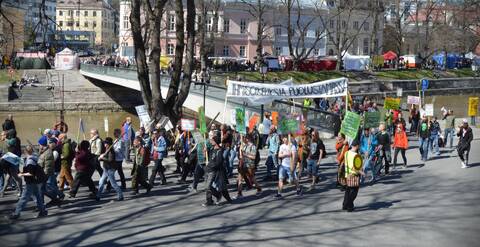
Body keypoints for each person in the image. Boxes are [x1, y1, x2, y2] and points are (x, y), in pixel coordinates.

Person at [9, 146, 47, 220]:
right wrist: (23, 172)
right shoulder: (33, 158)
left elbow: (30, 173)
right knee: (38, 196)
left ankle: (16, 213)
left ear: (25, 152)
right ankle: (43, 211)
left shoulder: (30, 161)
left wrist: (21, 174)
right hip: (36, 181)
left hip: (31, 182)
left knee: (23, 198)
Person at [203, 134, 232, 206]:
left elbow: (219, 162)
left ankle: (226, 198)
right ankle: (209, 200)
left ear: (215, 141)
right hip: (209, 170)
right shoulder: (212, 149)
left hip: (217, 171)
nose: (211, 141)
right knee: (208, 186)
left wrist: (211, 166)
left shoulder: (219, 151)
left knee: (222, 187)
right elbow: (208, 159)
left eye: (212, 140)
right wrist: (204, 152)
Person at [342, 139, 364, 212]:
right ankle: (349, 206)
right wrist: (362, 173)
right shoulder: (356, 155)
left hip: (347, 174)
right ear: (357, 146)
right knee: (354, 192)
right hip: (354, 175)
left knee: (348, 190)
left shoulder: (347, 153)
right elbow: (355, 168)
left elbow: (346, 163)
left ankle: (344, 205)